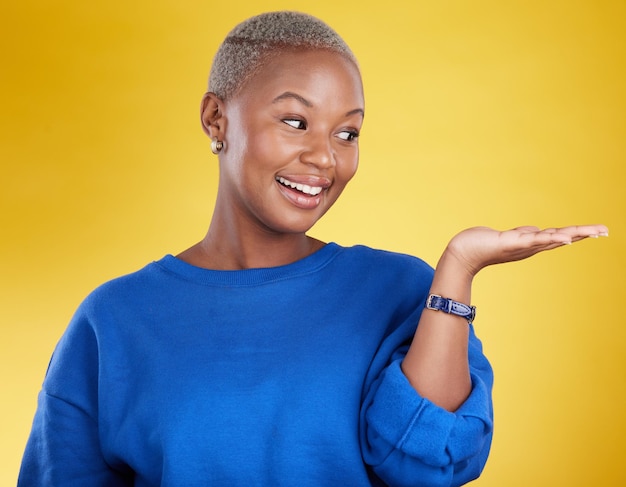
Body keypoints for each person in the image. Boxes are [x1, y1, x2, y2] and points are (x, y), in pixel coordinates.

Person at [18, 11, 607, 487]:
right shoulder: (114, 320)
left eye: (347, 133)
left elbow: (426, 467)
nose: (326, 158)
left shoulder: (400, 290)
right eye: (296, 122)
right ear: (216, 118)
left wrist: (457, 269)